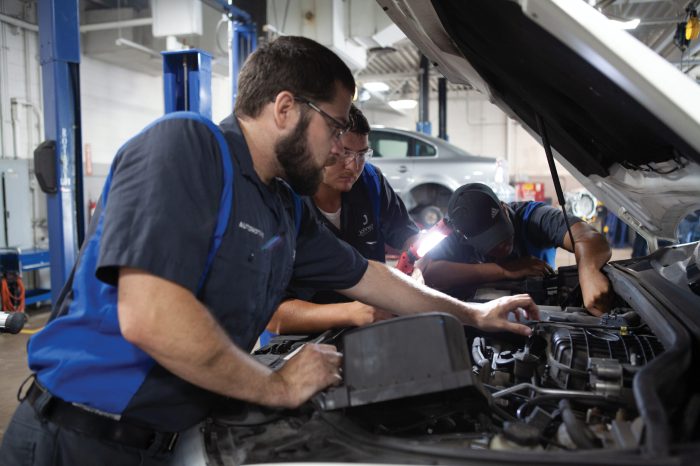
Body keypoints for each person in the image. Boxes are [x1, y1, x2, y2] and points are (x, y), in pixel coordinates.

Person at [0, 37, 538, 466]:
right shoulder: (187, 147)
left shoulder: (284, 203)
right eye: (334, 125)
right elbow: (151, 318)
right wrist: (276, 383)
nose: (338, 147)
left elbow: (369, 277)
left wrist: (473, 313)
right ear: (285, 108)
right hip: (76, 439)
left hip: (166, 439)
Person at [266, 105, 418, 335]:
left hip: (372, 326)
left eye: (362, 154)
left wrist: (416, 267)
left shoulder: (370, 181)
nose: (353, 166)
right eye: (345, 153)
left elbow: (409, 236)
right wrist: (352, 312)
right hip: (304, 341)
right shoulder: (283, 200)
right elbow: (274, 315)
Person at [420, 183, 612, 316]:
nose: (501, 245)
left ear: (504, 208)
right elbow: (429, 273)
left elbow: (588, 237)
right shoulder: (457, 234)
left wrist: (589, 272)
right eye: (490, 243)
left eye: (501, 233)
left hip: (542, 312)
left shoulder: (533, 217)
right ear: (465, 238)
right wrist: (504, 270)